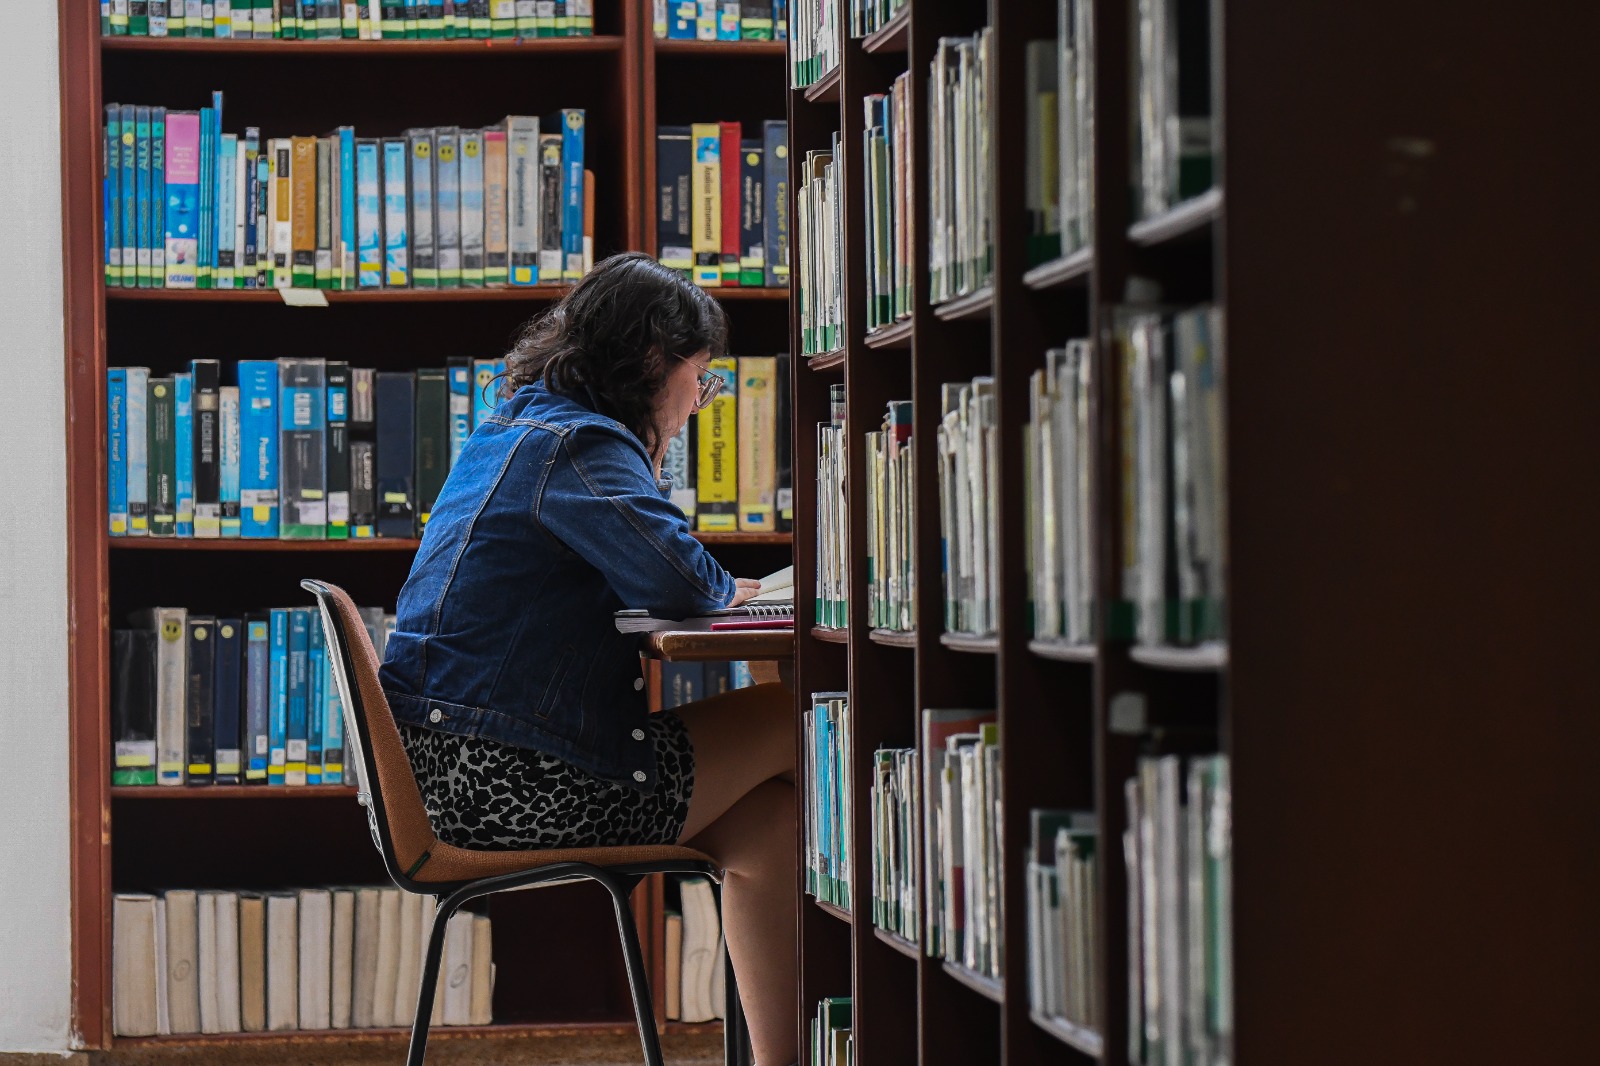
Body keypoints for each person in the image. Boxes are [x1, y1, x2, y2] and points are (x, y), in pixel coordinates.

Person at [378, 253, 797, 1066]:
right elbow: (681, 578)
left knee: (772, 827)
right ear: (650, 362)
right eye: (699, 379)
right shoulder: (579, 445)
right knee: (799, 717)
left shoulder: (515, 425)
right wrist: (736, 589)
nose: (697, 403)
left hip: (450, 767)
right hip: (510, 780)